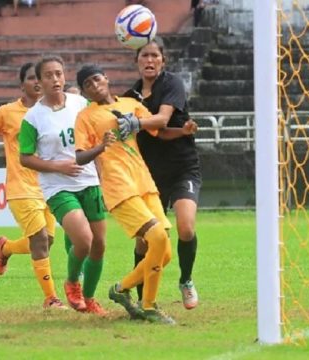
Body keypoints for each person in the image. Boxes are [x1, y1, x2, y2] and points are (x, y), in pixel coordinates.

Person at [74, 64, 191, 325]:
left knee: (165, 253)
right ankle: (148, 305)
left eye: (96, 79)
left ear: (106, 77)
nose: (94, 86)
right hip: (118, 187)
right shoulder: (85, 117)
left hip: (144, 183)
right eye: (88, 85)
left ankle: (121, 288)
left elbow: (157, 130)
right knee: (157, 237)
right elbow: (80, 156)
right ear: (85, 92)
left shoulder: (129, 103)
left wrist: (182, 132)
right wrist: (101, 146)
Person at [19, 56, 107, 316]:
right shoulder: (33, 118)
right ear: (39, 82)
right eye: (48, 75)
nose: (55, 79)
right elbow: (25, 157)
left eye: (58, 74)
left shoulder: (81, 104)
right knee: (84, 240)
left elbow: (98, 134)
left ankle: (89, 299)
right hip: (58, 186)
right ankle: (72, 283)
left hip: (89, 181)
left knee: (100, 244)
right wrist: (59, 166)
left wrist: (103, 178)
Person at [0, 62, 66, 310]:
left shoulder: (52, 112)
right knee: (39, 240)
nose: (36, 82)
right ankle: (51, 298)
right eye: (30, 78)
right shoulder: (7, 111)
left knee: (47, 242)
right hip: (20, 187)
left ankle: (5, 248)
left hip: (48, 186)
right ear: (22, 85)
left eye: (38, 78)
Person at [124, 38, 201, 310]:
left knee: (185, 227)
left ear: (162, 61)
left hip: (182, 167)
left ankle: (186, 280)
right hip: (148, 176)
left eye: (155, 55)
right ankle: (142, 299)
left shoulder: (171, 84)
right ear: (136, 61)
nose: (150, 60)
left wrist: (135, 122)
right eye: (144, 55)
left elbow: (162, 121)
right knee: (145, 241)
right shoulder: (129, 97)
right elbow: (160, 132)